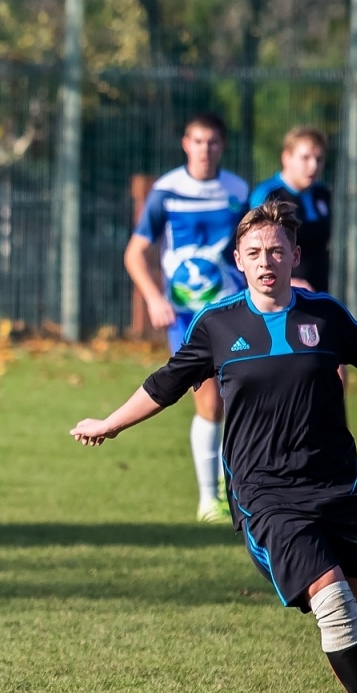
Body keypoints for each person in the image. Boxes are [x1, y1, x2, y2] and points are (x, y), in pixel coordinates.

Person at [73, 199, 357, 693]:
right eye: (253, 252)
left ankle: (341, 630)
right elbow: (166, 383)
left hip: (337, 485)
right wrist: (110, 423)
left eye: (276, 251)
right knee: (332, 599)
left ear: (294, 255)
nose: (265, 261)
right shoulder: (218, 324)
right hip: (266, 494)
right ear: (238, 260)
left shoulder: (323, 315)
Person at [123, 112, 249, 524]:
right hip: (186, 315)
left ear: (222, 146)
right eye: (197, 141)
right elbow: (135, 253)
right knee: (208, 400)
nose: (205, 149)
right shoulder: (166, 191)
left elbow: (251, 246)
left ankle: (235, 488)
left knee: (238, 399)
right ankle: (209, 498)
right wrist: (153, 298)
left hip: (232, 308)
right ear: (185, 144)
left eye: (212, 142)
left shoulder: (237, 191)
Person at [250, 127, 333, 293]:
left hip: (317, 293)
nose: (313, 165)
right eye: (305, 158)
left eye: (319, 159)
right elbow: (253, 250)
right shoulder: (268, 194)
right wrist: (288, 281)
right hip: (279, 294)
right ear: (286, 158)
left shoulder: (323, 194)